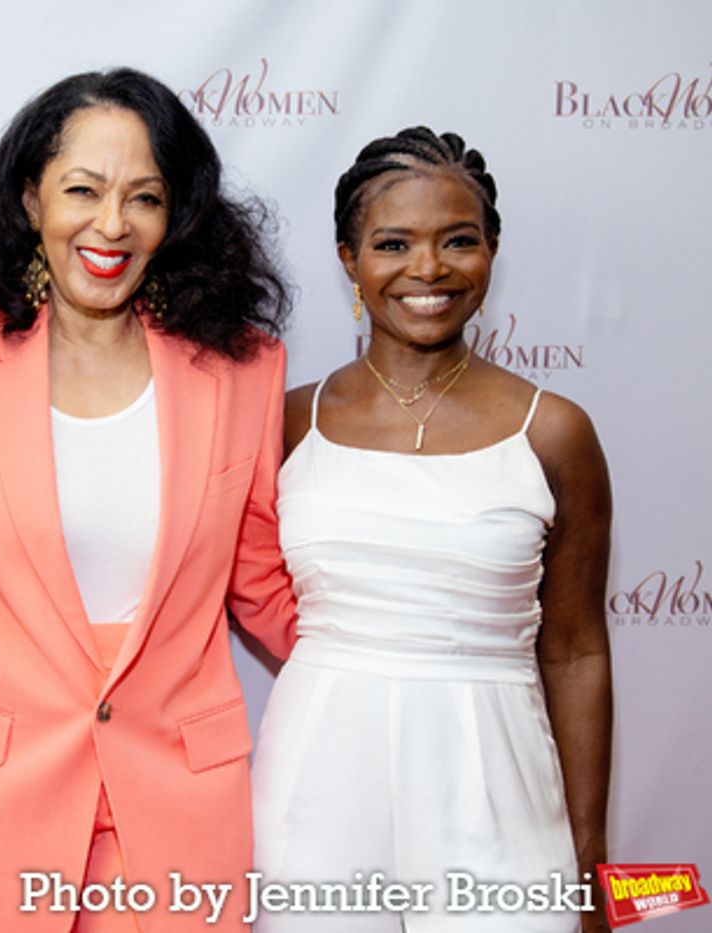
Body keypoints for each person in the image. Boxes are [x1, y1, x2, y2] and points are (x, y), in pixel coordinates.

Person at [0, 68, 297, 931]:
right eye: (83, 189)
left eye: (143, 197)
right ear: (32, 197)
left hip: (181, 799)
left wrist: (415, 665)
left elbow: (262, 580)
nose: (111, 225)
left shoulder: (244, 368)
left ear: (175, 215)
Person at [248, 127, 612, 932]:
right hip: (320, 774)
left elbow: (578, 647)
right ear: (348, 258)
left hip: (499, 778)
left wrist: (589, 861)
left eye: (458, 240)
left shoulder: (554, 432)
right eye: (393, 242)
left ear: (491, 251)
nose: (428, 269)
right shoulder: (285, 423)